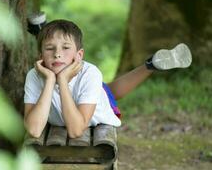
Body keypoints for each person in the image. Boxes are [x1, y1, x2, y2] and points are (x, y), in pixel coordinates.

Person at [24, 12, 192, 138]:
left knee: (107, 93)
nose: (57, 54)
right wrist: (50, 80)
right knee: (106, 88)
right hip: (76, 84)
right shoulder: (35, 75)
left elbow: (75, 130)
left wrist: (61, 79)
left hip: (93, 107)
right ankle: (42, 33)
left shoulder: (90, 73)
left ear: (80, 55)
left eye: (66, 48)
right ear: (39, 57)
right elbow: (34, 130)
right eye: (49, 49)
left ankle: (151, 65)